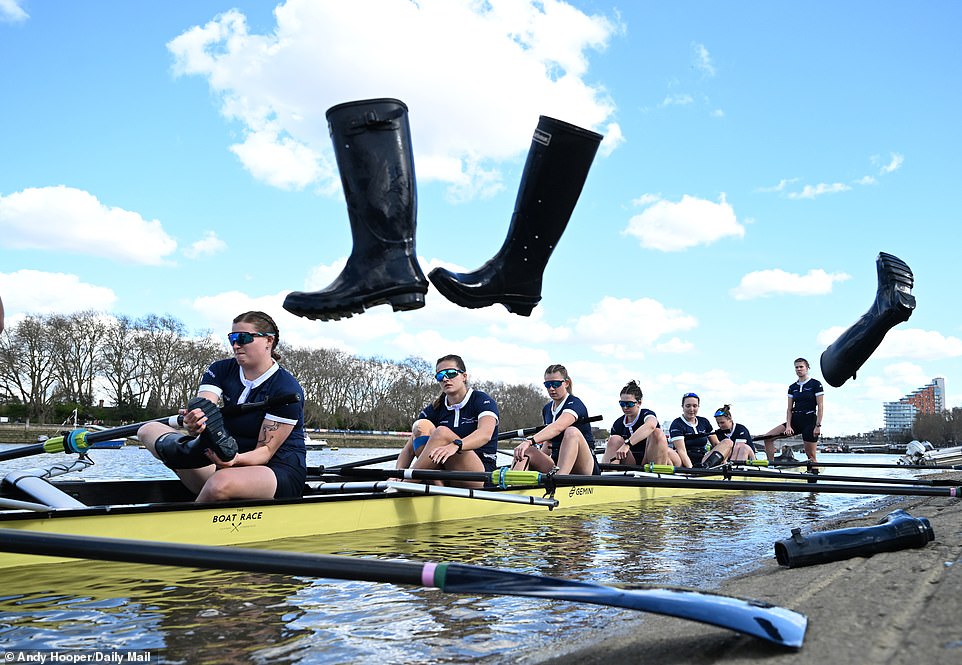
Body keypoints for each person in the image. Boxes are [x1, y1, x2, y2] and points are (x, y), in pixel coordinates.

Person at [138, 311, 307, 502]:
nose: (236, 345)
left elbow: (265, 452)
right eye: (232, 338)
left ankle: (187, 527)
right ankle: (194, 464)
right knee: (147, 430)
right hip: (224, 462)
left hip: (275, 471)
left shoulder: (286, 389)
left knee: (219, 483)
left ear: (269, 340)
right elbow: (205, 406)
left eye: (243, 338)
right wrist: (195, 423)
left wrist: (234, 460)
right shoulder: (220, 369)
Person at [395, 354, 499, 488]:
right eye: (440, 375)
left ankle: (406, 485)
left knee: (442, 432)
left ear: (464, 376)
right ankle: (436, 486)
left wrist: (455, 445)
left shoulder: (481, 400)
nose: (445, 378)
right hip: (446, 472)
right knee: (421, 426)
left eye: (451, 373)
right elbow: (409, 450)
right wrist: (397, 474)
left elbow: (485, 434)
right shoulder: (436, 408)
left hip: (480, 474)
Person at [512, 364, 599, 475]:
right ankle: (511, 484)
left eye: (556, 384)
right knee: (527, 451)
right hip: (557, 464)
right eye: (547, 385)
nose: (551, 388)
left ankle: (559, 480)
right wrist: (534, 458)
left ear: (566, 383)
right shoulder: (547, 409)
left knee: (571, 431)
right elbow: (548, 441)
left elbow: (557, 427)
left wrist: (529, 441)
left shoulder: (575, 404)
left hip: (584, 466)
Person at [760, 357, 825, 464]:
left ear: (807, 368)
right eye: (796, 367)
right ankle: (771, 466)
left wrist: (818, 426)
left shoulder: (816, 384)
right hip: (795, 420)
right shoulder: (792, 387)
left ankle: (813, 477)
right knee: (767, 438)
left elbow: (820, 406)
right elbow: (789, 408)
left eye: (801, 367)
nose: (799, 369)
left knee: (811, 456)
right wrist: (789, 426)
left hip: (810, 422)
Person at [601, 379, 680, 467]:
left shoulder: (647, 414)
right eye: (622, 404)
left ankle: (657, 475)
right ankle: (608, 475)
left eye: (629, 404)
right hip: (630, 461)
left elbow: (651, 426)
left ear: (639, 403)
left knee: (657, 433)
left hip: (649, 459)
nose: (625, 407)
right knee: (614, 439)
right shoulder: (618, 424)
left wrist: (627, 444)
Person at [667, 393, 715, 468]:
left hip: (703, 459)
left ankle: (708, 467)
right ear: (682, 407)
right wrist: (691, 469)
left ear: (698, 407)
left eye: (694, 406)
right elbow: (681, 451)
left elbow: (716, 444)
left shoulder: (704, 421)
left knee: (727, 442)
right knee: (667, 451)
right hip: (683, 459)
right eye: (688, 406)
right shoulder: (677, 424)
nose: (691, 409)